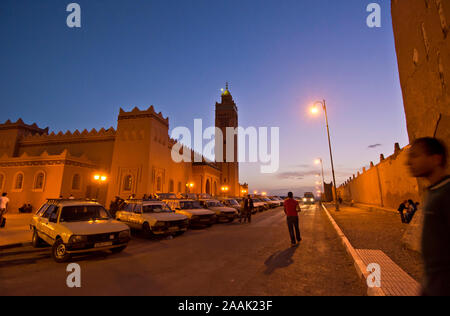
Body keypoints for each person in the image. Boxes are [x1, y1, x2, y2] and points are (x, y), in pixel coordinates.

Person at [407, 137, 450, 296]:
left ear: (435, 159)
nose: (409, 162)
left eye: (415, 156)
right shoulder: (433, 192)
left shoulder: (446, 194)